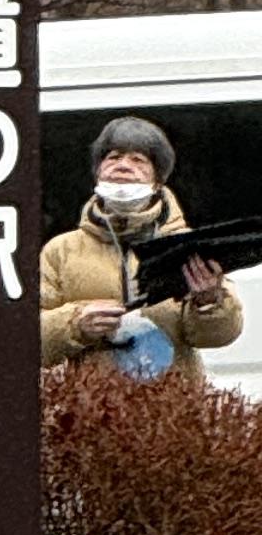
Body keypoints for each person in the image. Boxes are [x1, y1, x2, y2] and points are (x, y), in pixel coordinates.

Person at [39, 116, 245, 381]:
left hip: (173, 400)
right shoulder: (61, 250)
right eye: (113, 157)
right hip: (89, 402)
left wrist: (209, 301)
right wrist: (76, 324)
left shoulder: (188, 247)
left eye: (138, 160)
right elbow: (26, 340)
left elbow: (221, 336)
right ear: (98, 171)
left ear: (158, 181)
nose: (123, 166)